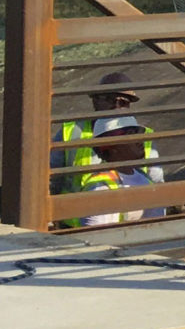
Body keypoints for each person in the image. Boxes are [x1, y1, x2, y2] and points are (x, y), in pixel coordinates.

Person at [52, 72, 160, 226]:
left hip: (131, 225)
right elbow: (51, 177)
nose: (116, 106)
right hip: (73, 225)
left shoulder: (143, 135)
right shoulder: (71, 131)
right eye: (110, 99)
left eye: (123, 102)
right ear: (95, 100)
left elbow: (156, 182)